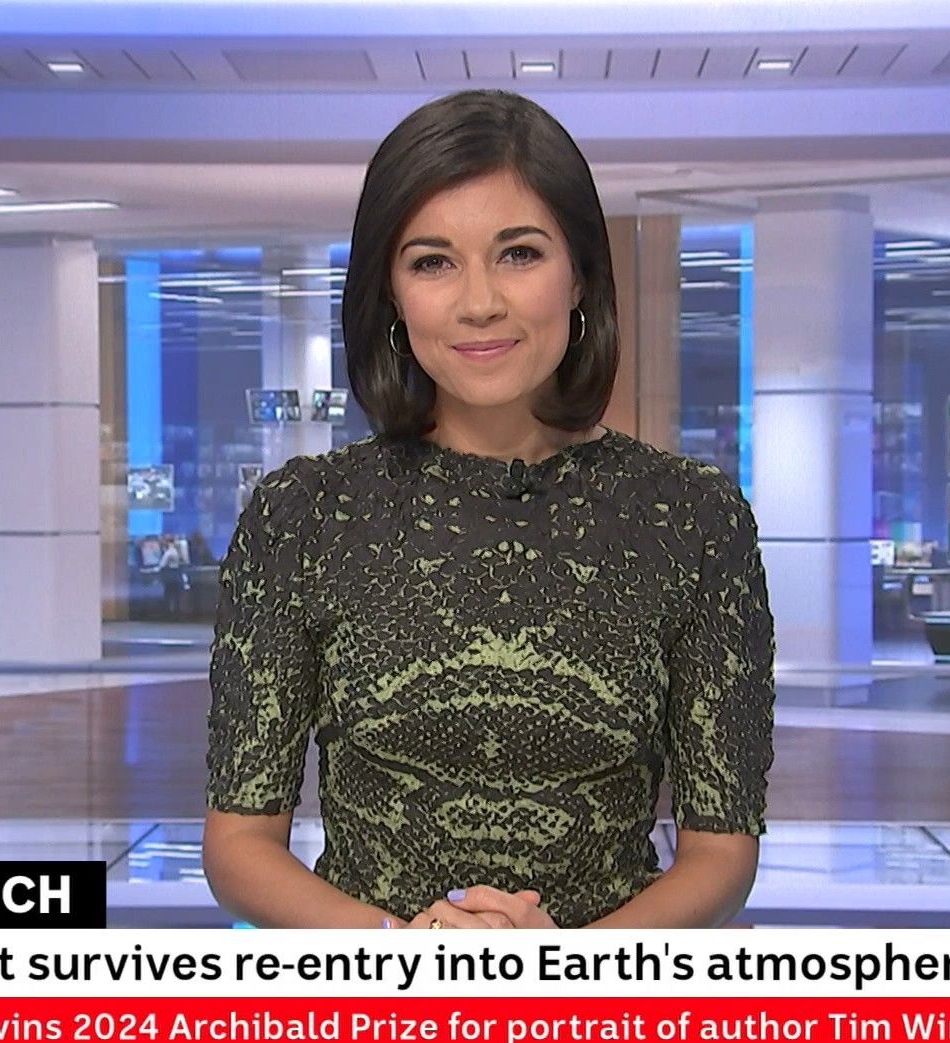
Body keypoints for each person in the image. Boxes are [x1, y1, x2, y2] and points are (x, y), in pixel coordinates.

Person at [202, 90, 775, 931]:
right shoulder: (304, 515)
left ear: (580, 275)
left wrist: (567, 971)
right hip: (371, 991)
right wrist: (400, 951)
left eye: (519, 254)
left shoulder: (693, 517)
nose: (479, 303)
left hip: (606, 992)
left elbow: (722, 853)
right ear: (390, 292)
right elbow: (238, 846)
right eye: (432, 262)